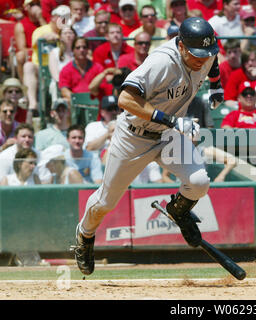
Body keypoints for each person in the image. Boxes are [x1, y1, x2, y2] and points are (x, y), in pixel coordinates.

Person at [72, 17, 224, 275]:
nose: (203, 59)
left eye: (206, 53)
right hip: (133, 137)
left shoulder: (205, 53)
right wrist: (173, 120)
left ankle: (178, 211)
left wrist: (217, 85)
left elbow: (213, 61)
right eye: (197, 53)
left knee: (199, 182)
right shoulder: (162, 61)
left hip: (167, 135)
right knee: (105, 203)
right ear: (182, 46)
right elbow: (125, 98)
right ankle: (84, 236)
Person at [23, 5, 66, 112]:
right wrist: (45, 37)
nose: (62, 20)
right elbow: (36, 43)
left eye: (65, 17)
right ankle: (33, 104)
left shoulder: (68, 32)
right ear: (53, 18)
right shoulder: (41, 30)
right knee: (28, 66)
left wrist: (60, 38)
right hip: (41, 67)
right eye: (59, 17)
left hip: (61, 67)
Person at [59, 37, 105, 102]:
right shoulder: (66, 69)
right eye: (78, 48)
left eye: (84, 47)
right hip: (75, 103)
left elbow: (103, 87)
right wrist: (77, 100)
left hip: (95, 102)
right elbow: (64, 90)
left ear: (88, 50)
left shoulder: (98, 67)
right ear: (73, 50)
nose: (81, 50)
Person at [14, 0, 46, 82]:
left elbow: (49, 33)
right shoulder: (21, 25)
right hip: (32, 52)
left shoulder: (45, 20)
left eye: (37, 4)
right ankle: (23, 86)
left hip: (47, 51)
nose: (36, 7)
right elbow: (22, 48)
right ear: (26, 8)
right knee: (20, 56)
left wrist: (40, 18)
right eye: (32, 5)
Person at [48, 26, 77, 102]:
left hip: (77, 82)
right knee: (54, 85)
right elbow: (55, 76)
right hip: (61, 84)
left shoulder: (80, 52)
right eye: (65, 33)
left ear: (75, 35)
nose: (68, 35)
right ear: (60, 37)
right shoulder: (54, 53)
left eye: (70, 33)